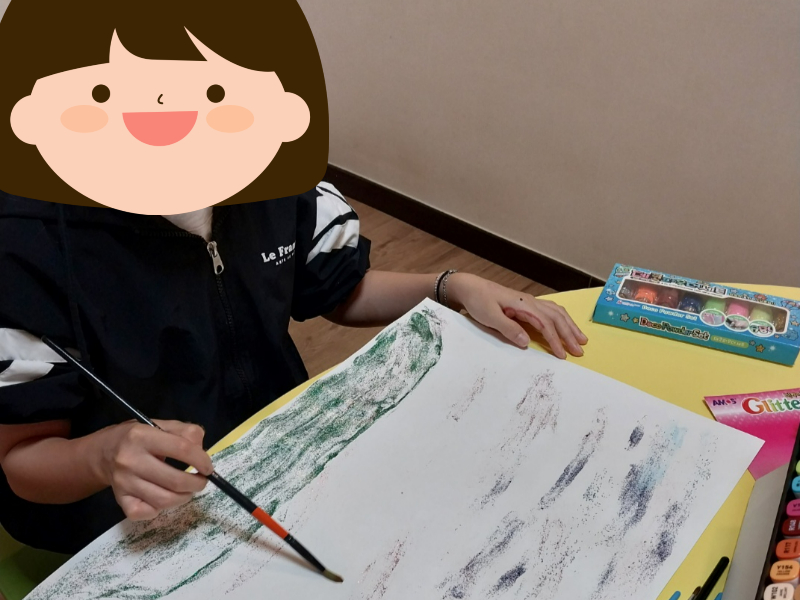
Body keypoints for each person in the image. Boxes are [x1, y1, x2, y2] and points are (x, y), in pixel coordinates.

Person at [0, 0, 587, 555]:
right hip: (120, 525)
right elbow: (22, 458)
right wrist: (107, 455)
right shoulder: (25, 243)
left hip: (276, 459)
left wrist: (449, 286)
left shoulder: (267, 166)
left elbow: (339, 289)